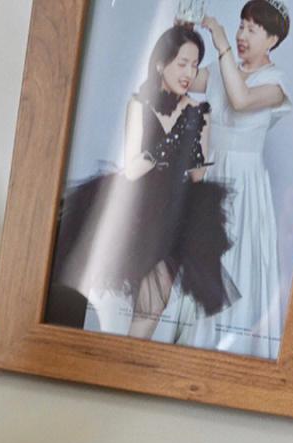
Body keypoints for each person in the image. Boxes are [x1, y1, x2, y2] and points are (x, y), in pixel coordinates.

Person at [46, 25, 237, 339]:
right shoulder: (139, 103)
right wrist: (170, 142)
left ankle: (124, 362)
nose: (189, 72)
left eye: (194, 64)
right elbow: (132, 169)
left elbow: (198, 175)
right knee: (86, 273)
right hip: (136, 205)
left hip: (176, 210)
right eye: (182, 63)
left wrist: (193, 145)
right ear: (162, 63)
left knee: (153, 304)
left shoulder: (199, 110)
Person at [156, 2, 293, 357]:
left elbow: (241, 98)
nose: (242, 34)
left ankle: (228, 351)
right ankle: (185, 345)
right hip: (209, 173)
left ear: (273, 39)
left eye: (253, 29)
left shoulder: (274, 83)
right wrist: (180, 36)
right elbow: (176, 77)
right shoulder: (220, 69)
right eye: (241, 25)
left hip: (244, 185)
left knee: (236, 259)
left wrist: (221, 45)